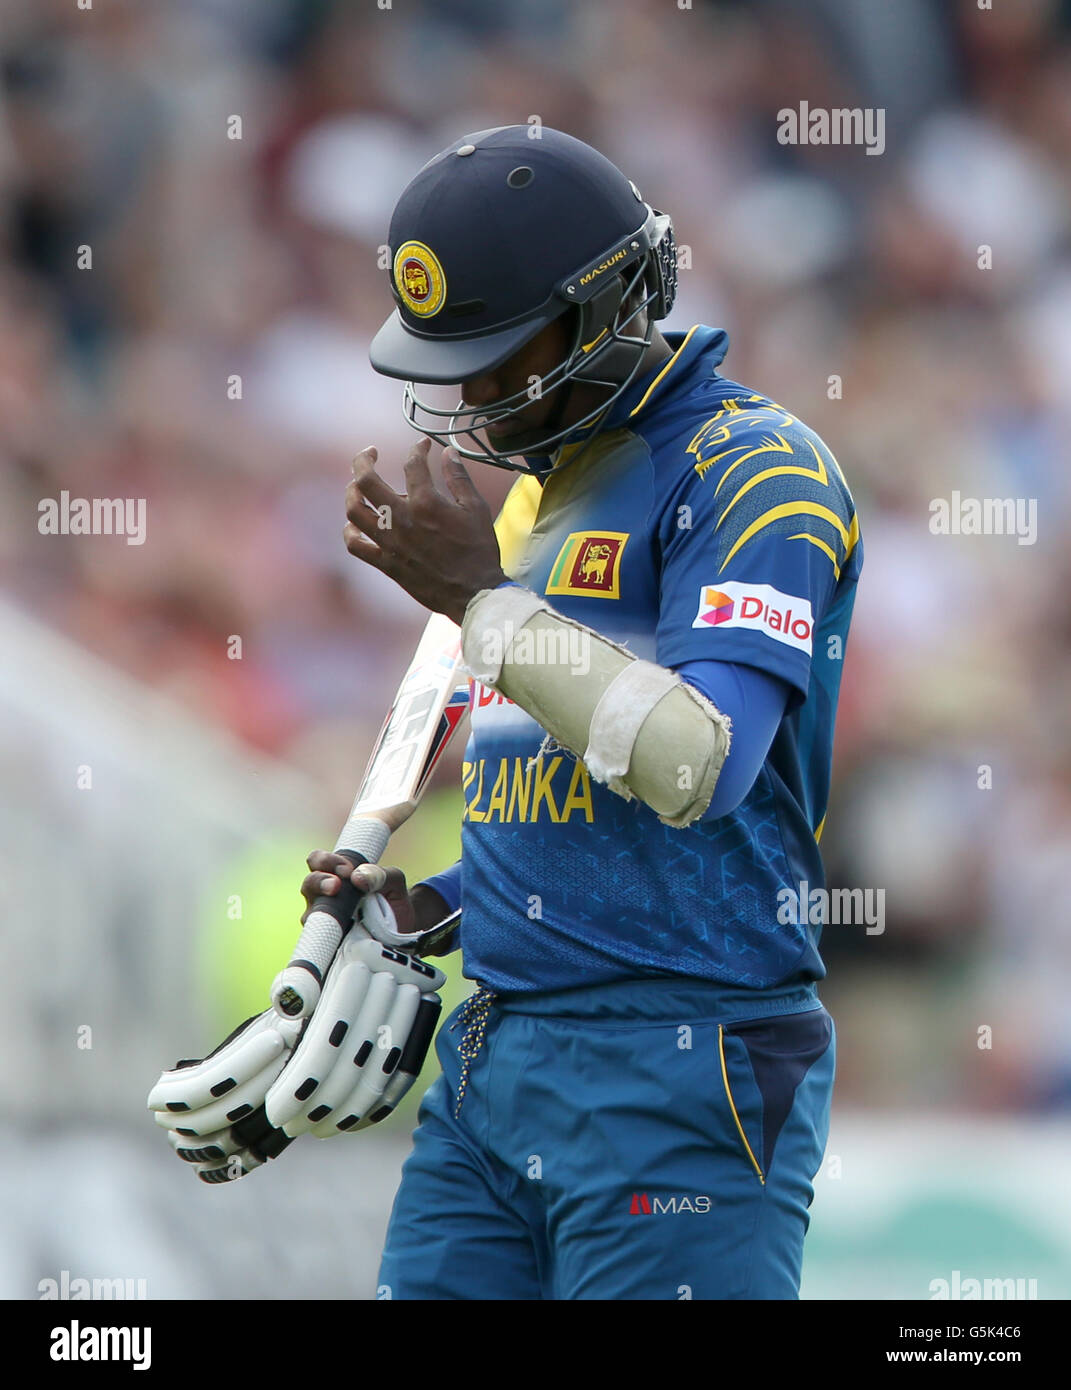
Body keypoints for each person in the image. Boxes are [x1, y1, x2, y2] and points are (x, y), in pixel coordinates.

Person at [153, 125, 863, 1301]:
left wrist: (480, 600)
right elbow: (576, 791)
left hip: (686, 1060)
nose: (472, 392)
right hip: (496, 1060)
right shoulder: (543, 492)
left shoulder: (757, 470)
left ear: (610, 307)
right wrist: (432, 910)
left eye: (499, 350)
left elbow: (700, 762)